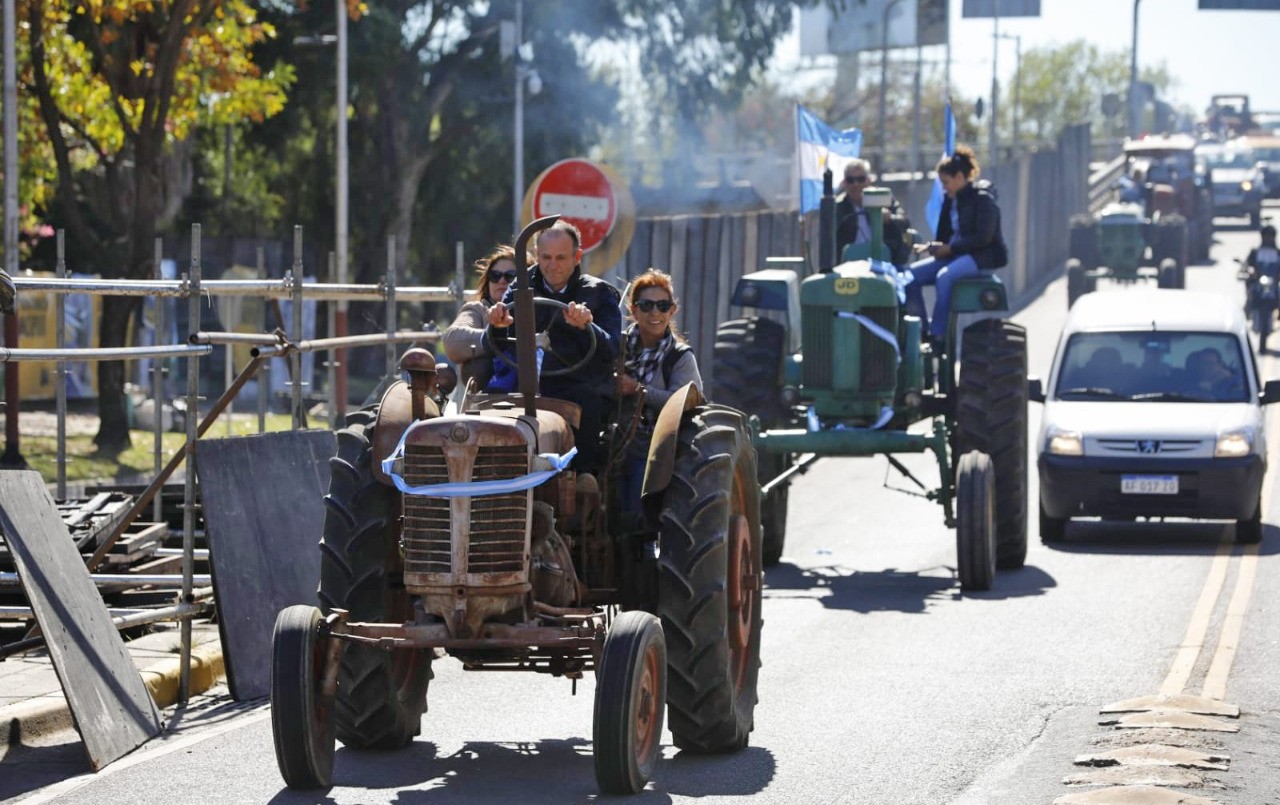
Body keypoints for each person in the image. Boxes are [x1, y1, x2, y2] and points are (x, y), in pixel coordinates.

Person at [487, 219, 623, 480]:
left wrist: (587, 327)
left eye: (561, 257)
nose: (552, 265)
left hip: (575, 385)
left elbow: (611, 348)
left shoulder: (598, 294)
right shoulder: (520, 289)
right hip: (523, 382)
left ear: (577, 257)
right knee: (491, 400)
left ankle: (583, 477)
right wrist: (498, 323)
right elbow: (498, 340)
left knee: (588, 401)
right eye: (546, 257)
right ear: (536, 255)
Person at [615, 269, 702, 513]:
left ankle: (641, 541)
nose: (655, 313)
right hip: (614, 441)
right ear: (633, 310)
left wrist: (638, 390)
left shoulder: (680, 357)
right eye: (646, 305)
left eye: (663, 306)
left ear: (672, 311)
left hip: (657, 446)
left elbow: (685, 404)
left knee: (636, 504)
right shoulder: (616, 347)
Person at [904, 145, 1008, 349]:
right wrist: (933, 247)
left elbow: (983, 238)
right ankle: (921, 330)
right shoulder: (950, 201)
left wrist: (950, 249)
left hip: (981, 258)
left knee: (945, 277)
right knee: (908, 277)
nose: (944, 188)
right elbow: (944, 237)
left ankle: (938, 335)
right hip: (956, 255)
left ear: (960, 177)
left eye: (946, 182)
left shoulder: (982, 199)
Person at [442, 244, 519, 391]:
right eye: (495, 276)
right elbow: (451, 341)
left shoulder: (540, 309)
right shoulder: (478, 310)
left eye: (510, 276)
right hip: (489, 403)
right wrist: (493, 338)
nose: (502, 281)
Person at [835, 159, 913, 265]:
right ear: (844, 183)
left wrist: (889, 218)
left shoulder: (883, 197)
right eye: (850, 180)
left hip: (885, 261)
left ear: (869, 180)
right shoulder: (838, 206)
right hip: (850, 264)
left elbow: (905, 222)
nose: (856, 184)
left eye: (860, 179)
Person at [1243, 224, 1280, 311]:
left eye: (1270, 236)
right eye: (1266, 236)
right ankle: (1249, 307)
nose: (1268, 238)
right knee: (1251, 287)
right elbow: (1247, 265)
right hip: (1258, 282)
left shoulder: (1278, 253)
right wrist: (1250, 270)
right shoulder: (1255, 252)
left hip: (1275, 283)